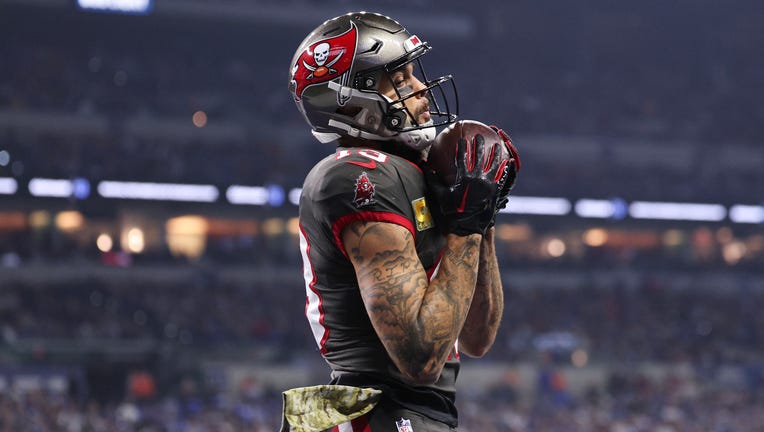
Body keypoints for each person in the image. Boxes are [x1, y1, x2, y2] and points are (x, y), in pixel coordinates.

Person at [283, 11, 520, 432]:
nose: (421, 89)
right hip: (373, 409)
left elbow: (477, 337)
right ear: (353, 99)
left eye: (413, 73)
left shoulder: (411, 170)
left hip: (419, 411)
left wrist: (481, 216)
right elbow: (420, 358)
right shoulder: (357, 175)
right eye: (400, 78)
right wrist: (463, 229)